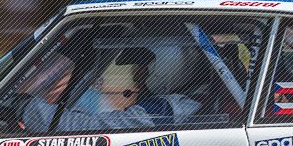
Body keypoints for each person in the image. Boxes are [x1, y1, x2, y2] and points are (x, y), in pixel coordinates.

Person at [20, 51, 199, 133]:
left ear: (168, 68)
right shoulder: (179, 106)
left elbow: (91, 132)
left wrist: (24, 108)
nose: (135, 76)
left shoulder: (165, 110)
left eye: (142, 68)